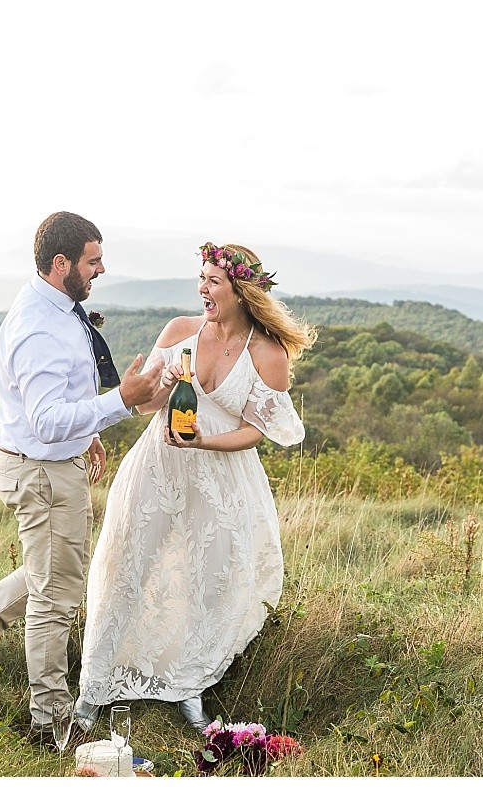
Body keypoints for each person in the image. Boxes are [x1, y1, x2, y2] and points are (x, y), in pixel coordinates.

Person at [0, 211, 163, 751]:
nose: (101, 269)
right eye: (93, 261)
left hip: (50, 461)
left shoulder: (55, 307)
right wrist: (122, 400)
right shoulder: (38, 327)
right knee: (56, 596)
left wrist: (92, 430)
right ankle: (51, 724)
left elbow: (55, 405)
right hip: (43, 472)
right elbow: (48, 420)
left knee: (48, 572)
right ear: (61, 264)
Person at [74, 242, 316, 734]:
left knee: (210, 580)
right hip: (156, 469)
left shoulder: (267, 354)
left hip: (222, 478)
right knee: (126, 567)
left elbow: (255, 431)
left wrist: (205, 440)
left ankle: (187, 685)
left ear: (240, 291)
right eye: (201, 278)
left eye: (213, 281)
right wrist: (155, 389)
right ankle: (93, 689)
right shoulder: (181, 331)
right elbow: (145, 407)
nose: (203, 288)